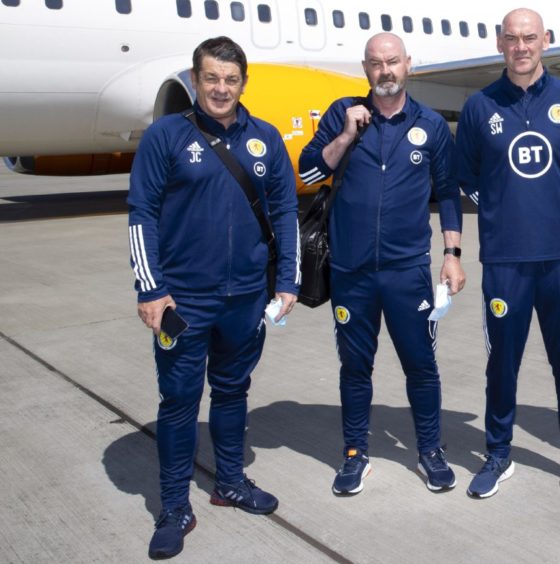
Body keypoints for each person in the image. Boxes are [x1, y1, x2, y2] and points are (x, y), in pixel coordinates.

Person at [127, 36, 299, 559]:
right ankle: (175, 505)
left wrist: (287, 280)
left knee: (232, 391)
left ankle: (229, 482)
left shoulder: (265, 138)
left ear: (243, 83)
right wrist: (151, 288)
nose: (221, 88)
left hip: (246, 297)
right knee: (178, 402)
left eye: (231, 80)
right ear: (195, 81)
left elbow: (286, 212)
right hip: (182, 302)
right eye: (211, 79)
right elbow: (142, 215)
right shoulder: (165, 137)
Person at [298, 33, 465, 496]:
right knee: (355, 368)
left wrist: (451, 255)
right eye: (376, 63)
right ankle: (355, 454)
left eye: (392, 62)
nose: (385, 71)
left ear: (408, 65)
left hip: (407, 272)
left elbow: (448, 194)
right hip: (351, 272)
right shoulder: (341, 113)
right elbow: (310, 171)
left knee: (421, 366)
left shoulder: (430, 125)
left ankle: (430, 450)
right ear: (365, 68)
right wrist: (348, 134)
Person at [455, 8, 560, 500]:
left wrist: (550, 212)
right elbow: (469, 180)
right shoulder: (479, 107)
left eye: (530, 38)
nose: (521, 47)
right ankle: (498, 453)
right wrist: (504, 213)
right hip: (504, 262)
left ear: (546, 42)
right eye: (512, 39)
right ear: (500, 44)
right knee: (502, 363)